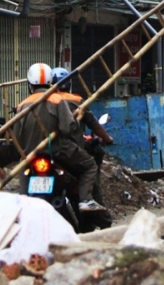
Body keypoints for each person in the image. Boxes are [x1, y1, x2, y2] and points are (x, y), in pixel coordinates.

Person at [15, 63, 106, 214]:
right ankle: (85, 200)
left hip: (31, 154)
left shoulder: (22, 105)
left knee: (22, 166)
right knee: (90, 165)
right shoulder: (57, 99)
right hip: (58, 151)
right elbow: (67, 128)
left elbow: (18, 137)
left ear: (29, 83)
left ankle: (22, 203)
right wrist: (78, 120)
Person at [51, 67, 113, 206]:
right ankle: (88, 201)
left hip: (44, 149)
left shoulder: (45, 101)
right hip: (69, 149)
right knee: (90, 167)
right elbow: (94, 125)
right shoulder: (77, 101)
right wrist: (107, 139)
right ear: (69, 83)